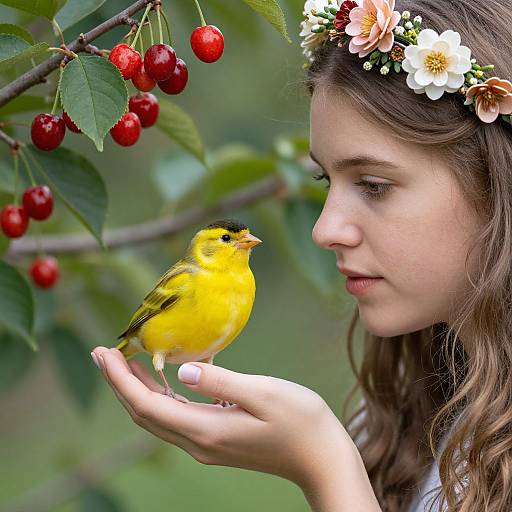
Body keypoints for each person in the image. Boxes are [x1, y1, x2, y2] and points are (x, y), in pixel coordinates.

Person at [92, 0, 512, 510]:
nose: (323, 230)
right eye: (324, 179)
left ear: (496, 183)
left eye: (374, 185)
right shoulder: (405, 414)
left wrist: (323, 463)